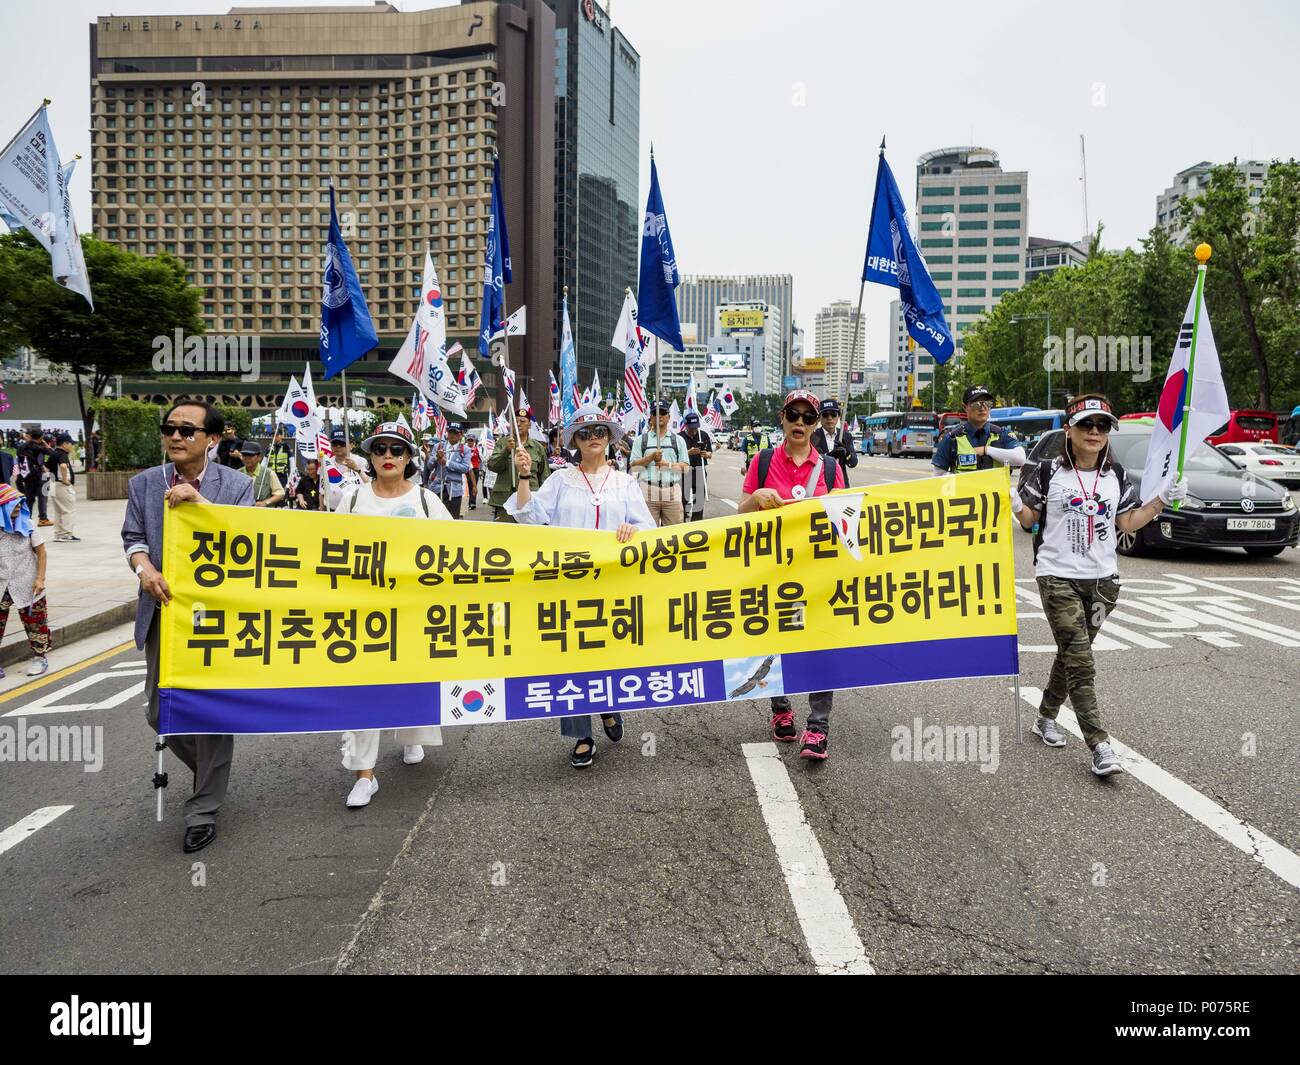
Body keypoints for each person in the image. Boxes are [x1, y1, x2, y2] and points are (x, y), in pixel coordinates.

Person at [1012, 394, 1187, 777]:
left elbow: (1127, 523)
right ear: (1068, 430)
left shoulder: (1117, 476)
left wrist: (1160, 501)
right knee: (1081, 660)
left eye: (1103, 425)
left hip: (1104, 582)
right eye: (1086, 424)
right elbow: (1028, 521)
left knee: (1071, 655)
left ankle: (1045, 716)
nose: (1094, 432)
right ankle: (1099, 745)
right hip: (1057, 576)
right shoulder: (1046, 472)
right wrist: (1011, 499)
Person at [121, 400, 255, 853]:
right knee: (161, 711)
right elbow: (133, 538)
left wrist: (199, 502)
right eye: (169, 428)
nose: (176, 436)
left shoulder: (236, 485)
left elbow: (246, 539)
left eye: (187, 430)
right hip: (163, 612)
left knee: (210, 712)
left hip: (217, 617)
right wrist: (144, 570)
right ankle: (209, 772)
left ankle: (202, 809)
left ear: (211, 439)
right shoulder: (143, 485)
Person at [506, 404, 655, 769]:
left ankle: (608, 705)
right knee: (571, 658)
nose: (593, 438)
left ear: (610, 439)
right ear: (574, 439)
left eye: (600, 432)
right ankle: (582, 735)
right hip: (567, 586)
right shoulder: (560, 480)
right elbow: (529, 517)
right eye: (585, 433)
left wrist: (633, 529)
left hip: (613, 587)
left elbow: (649, 529)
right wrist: (524, 477)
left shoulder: (625, 482)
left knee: (607, 655)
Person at [336, 420, 453, 807]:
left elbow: (456, 550)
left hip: (414, 611)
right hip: (364, 611)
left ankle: (412, 737)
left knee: (412, 679)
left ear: (409, 458)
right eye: (381, 449)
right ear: (370, 456)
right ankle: (364, 774)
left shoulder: (426, 501)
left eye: (397, 450)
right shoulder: (351, 500)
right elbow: (328, 548)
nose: (388, 456)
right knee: (361, 689)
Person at [739, 388, 845, 761]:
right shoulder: (764, 460)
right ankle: (780, 709)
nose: (800, 422)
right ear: (782, 419)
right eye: (793, 415)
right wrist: (757, 499)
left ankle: (818, 729)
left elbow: (845, 523)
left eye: (808, 417)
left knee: (820, 644)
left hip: (816, 573)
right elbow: (742, 513)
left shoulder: (830, 467)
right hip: (771, 570)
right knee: (771, 641)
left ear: (817, 424)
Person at [0, 483, 51, 678]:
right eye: (14, 504)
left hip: (28, 582)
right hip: (2, 583)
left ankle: (40, 657)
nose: (19, 506)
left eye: (20, 503)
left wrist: (40, 578)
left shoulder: (27, 525)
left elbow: (41, 552)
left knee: (35, 622)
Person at [932, 385, 1025, 476]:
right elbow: (937, 475)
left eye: (987, 403)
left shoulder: (1002, 434)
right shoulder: (952, 439)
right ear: (965, 407)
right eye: (976, 404)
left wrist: (986, 450)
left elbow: (1020, 458)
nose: (982, 408)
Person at [630, 400, 690, 527]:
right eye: (655, 413)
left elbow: (685, 468)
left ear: (668, 417)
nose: (660, 416)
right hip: (648, 490)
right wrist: (650, 457)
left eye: (663, 412)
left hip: (672, 491)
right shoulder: (641, 440)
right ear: (651, 417)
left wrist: (667, 465)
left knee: (674, 533)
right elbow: (634, 466)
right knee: (647, 532)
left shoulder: (678, 440)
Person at [487, 407, 548, 522]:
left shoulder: (538, 448)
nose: (518, 424)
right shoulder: (502, 443)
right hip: (504, 501)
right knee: (505, 537)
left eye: (523, 421)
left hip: (530, 501)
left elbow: (544, 477)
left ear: (529, 425)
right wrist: (506, 451)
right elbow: (492, 466)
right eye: (516, 421)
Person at [424, 422, 474, 519]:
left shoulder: (465, 449)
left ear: (461, 434)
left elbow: (465, 468)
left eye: (455, 433)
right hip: (438, 488)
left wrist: (447, 462)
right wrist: (436, 457)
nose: (452, 435)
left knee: (452, 519)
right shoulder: (438, 446)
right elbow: (429, 466)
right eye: (450, 432)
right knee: (435, 517)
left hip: (454, 490)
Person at [811, 398, 858, 487]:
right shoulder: (813, 437)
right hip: (820, 484)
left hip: (841, 484)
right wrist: (830, 455)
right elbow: (813, 462)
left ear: (838, 416)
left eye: (833, 414)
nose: (829, 418)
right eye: (825, 415)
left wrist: (847, 453)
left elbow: (853, 463)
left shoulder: (845, 436)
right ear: (819, 417)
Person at [679, 412, 714, 522]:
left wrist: (706, 454)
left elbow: (710, 453)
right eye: (691, 428)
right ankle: (682, 520)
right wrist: (688, 453)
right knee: (682, 499)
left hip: (699, 470)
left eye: (696, 427)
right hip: (684, 471)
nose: (694, 430)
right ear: (686, 425)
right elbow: (675, 456)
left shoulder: (702, 435)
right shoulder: (679, 437)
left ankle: (695, 523)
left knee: (699, 499)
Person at [324, 430, 369, 511]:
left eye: (342, 444)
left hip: (355, 510)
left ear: (351, 445)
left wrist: (357, 469)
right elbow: (322, 490)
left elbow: (369, 483)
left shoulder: (361, 461)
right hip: (331, 510)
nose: (338, 446)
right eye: (334, 443)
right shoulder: (326, 463)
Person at [17, 428, 52, 527]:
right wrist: (44, 443)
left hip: (26, 475)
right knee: (43, 496)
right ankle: (43, 519)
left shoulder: (22, 447)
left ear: (30, 436)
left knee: (29, 498)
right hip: (39, 475)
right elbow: (51, 453)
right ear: (41, 437)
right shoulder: (39, 447)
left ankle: (27, 519)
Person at [49, 433, 79, 542]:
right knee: (68, 510)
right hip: (61, 485)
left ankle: (59, 534)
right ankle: (66, 534)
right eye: (71, 444)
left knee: (59, 511)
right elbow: (63, 465)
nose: (72, 446)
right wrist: (65, 480)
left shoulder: (53, 453)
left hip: (53, 484)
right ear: (65, 444)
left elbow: (46, 468)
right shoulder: (62, 454)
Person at [238, 441, 285, 508]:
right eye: (244, 455)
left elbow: (280, 493)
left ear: (259, 457)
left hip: (263, 514)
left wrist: (265, 503)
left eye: (251, 455)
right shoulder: (237, 473)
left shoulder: (269, 474)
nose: (247, 458)